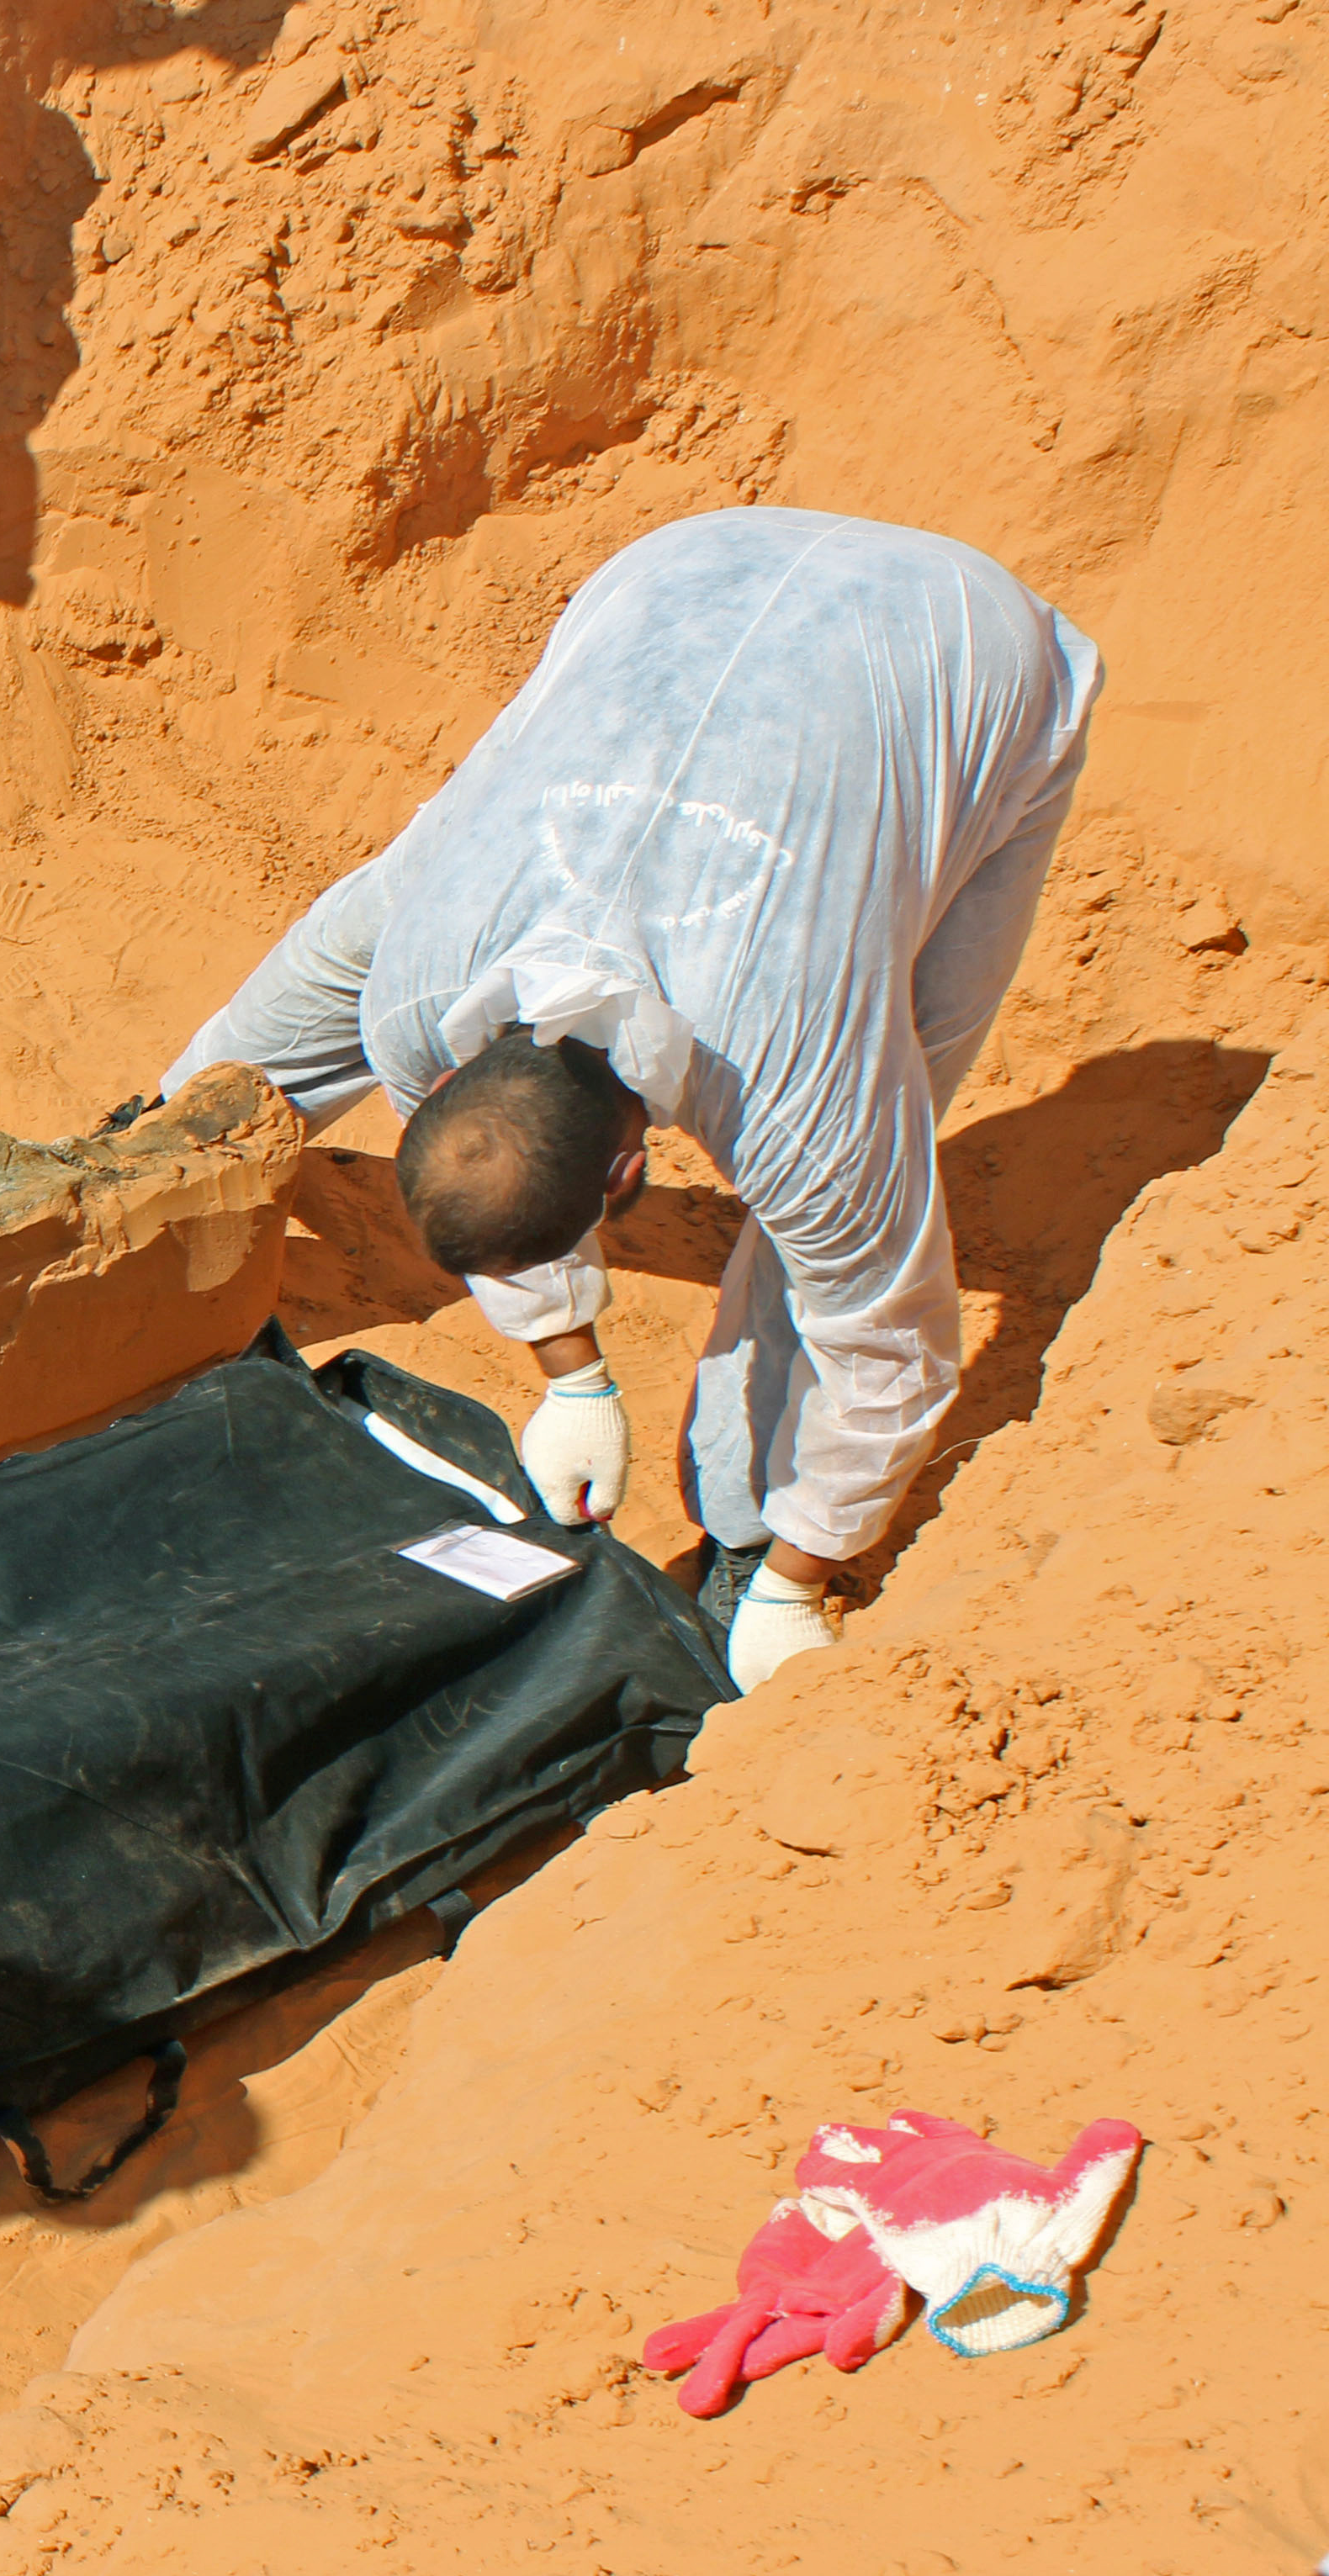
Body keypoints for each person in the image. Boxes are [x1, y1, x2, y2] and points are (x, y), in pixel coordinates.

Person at [159, 508, 1100, 1694]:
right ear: (445, 1075)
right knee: (356, 928)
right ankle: (152, 1189)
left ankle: (750, 1534)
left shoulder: (804, 1078)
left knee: (887, 1111)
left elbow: (889, 1340)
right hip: (678, 584)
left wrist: (799, 1580)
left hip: (964, 649)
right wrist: (576, 1379)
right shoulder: (422, 979)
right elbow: (493, 1169)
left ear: (629, 1178)